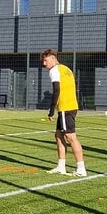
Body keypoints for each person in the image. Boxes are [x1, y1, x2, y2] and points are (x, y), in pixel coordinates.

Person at [41, 49, 87, 177]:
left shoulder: (54, 70)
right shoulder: (66, 69)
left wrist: (51, 110)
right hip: (70, 106)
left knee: (71, 137)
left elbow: (56, 90)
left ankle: (81, 169)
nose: (44, 63)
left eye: (46, 60)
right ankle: (61, 167)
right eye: (43, 61)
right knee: (58, 135)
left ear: (53, 58)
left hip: (65, 108)